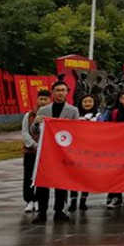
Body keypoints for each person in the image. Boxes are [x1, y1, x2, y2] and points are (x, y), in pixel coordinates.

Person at [32, 81, 80, 223]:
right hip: (46, 152)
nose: (60, 93)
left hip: (63, 152)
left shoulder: (73, 111)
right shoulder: (43, 110)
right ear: (52, 92)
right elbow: (34, 131)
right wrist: (36, 123)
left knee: (61, 183)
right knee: (42, 183)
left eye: (63, 90)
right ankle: (42, 212)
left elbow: (77, 131)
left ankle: (59, 211)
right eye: (57, 90)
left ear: (67, 92)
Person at [102, 89, 124, 209]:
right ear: (120, 100)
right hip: (116, 146)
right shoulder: (114, 112)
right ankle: (115, 196)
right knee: (115, 172)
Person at [68, 93, 100, 212]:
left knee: (86, 176)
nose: (87, 104)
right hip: (76, 150)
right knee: (74, 176)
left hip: (91, 150)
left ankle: (83, 200)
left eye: (90, 101)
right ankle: (73, 200)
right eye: (85, 101)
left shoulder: (98, 116)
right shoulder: (75, 115)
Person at [21, 89, 51, 213]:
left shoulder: (51, 114)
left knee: (42, 177)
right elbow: (25, 132)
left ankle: (39, 201)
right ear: (37, 100)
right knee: (28, 176)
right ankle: (30, 201)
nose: (43, 101)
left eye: (45, 99)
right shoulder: (29, 115)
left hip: (46, 153)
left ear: (50, 100)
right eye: (41, 99)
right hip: (31, 152)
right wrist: (34, 145)